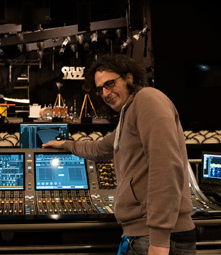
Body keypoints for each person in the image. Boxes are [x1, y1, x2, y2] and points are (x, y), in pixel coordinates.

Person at [43, 53, 196, 255]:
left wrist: (159, 239)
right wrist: (66, 144)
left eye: (110, 84)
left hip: (157, 237)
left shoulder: (147, 99)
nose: (106, 93)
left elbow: (166, 166)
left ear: (129, 78)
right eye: (101, 89)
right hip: (142, 234)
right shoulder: (130, 113)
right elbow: (101, 148)